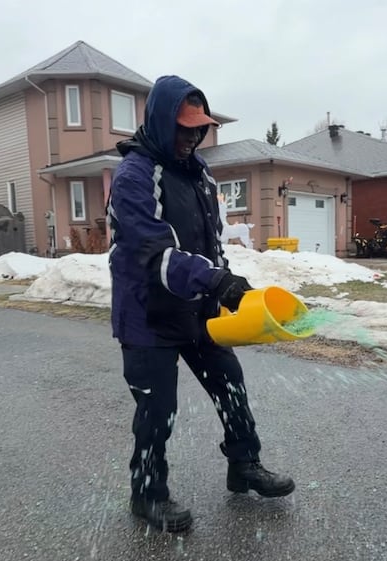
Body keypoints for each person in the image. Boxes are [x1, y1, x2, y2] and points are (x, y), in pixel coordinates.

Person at [107, 75, 295, 533]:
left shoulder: (200, 174)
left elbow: (210, 244)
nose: (193, 137)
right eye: (185, 127)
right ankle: (147, 493)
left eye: (200, 129)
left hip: (195, 307)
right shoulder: (134, 177)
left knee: (230, 381)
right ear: (159, 121)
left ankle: (244, 466)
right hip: (147, 313)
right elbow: (157, 255)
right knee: (158, 409)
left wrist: (222, 284)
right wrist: (217, 282)